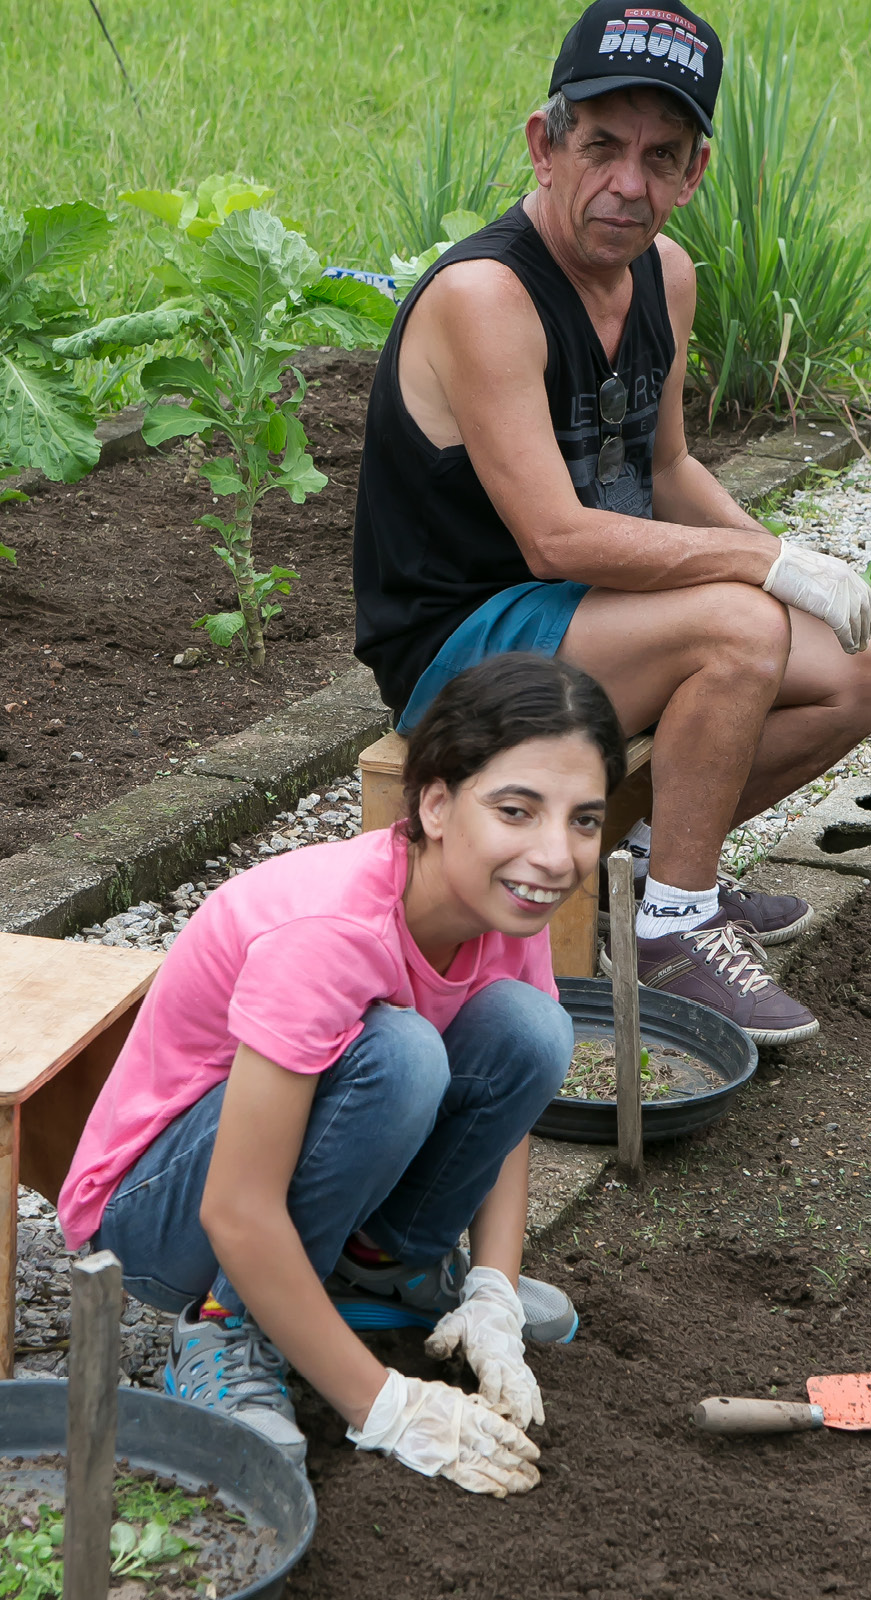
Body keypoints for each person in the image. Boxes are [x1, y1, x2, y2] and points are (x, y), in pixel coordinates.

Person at [354, 0, 871, 1045]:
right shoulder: (486, 294)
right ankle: (672, 928)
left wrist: (811, 573)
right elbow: (557, 539)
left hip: (588, 616)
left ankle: (663, 875)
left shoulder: (664, 277)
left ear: (694, 174)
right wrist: (766, 567)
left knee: (856, 662)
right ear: (545, 145)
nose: (627, 184)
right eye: (600, 145)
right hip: (461, 642)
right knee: (740, 626)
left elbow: (667, 468)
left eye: (660, 155)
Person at [57, 653, 626, 1498]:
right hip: (157, 1219)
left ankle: (378, 1272)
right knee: (397, 1054)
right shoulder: (328, 931)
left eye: (584, 820)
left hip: (286, 1179)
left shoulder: (505, 897)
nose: (554, 853)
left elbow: (507, 1114)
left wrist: (493, 1291)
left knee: (530, 1027)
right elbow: (235, 1206)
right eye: (516, 810)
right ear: (434, 802)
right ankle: (224, 1330)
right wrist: (390, 1406)